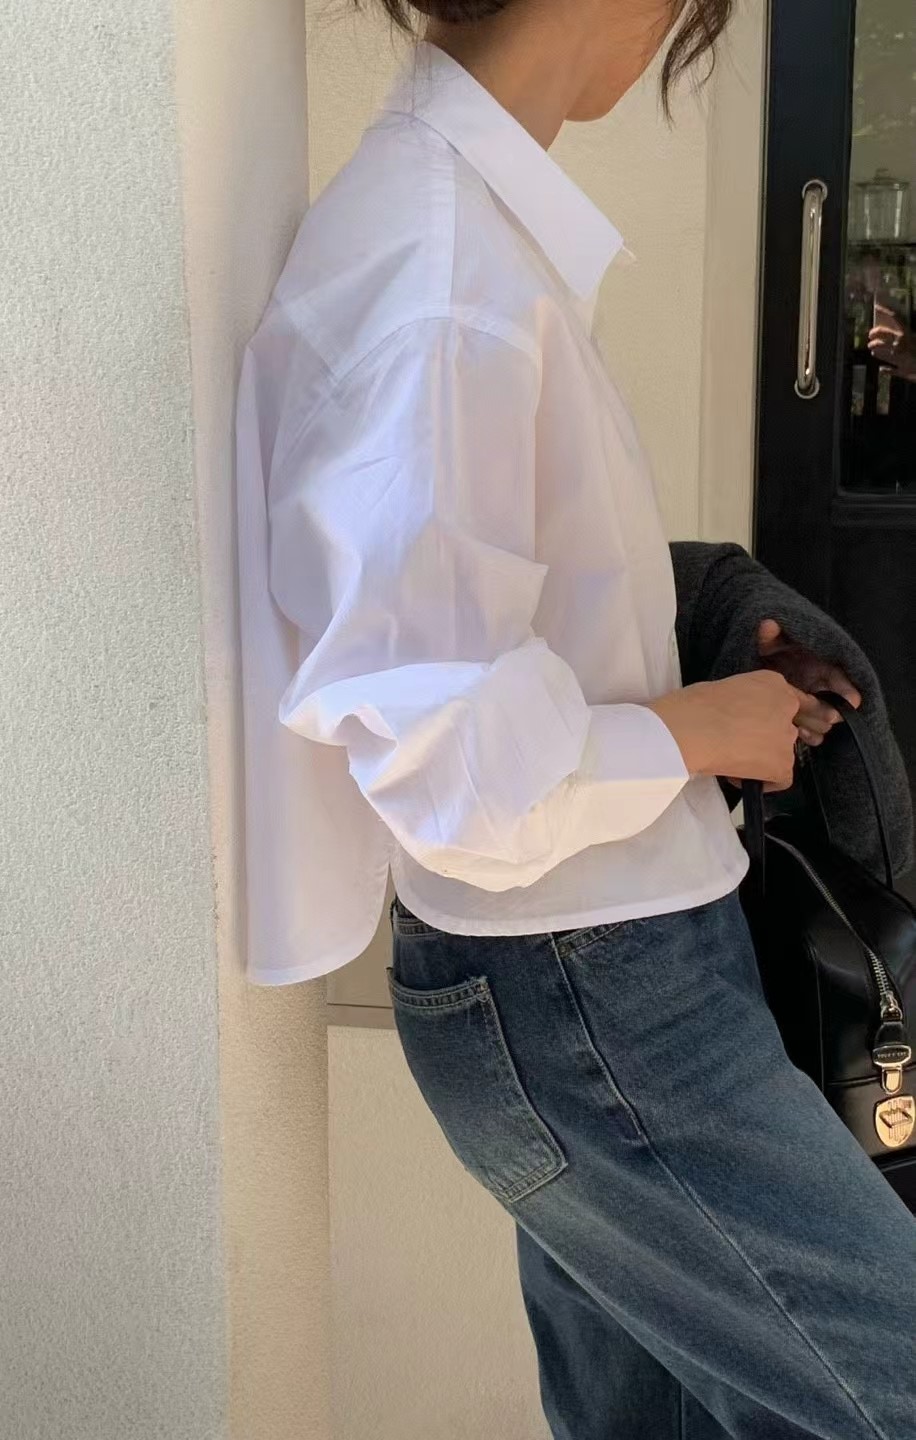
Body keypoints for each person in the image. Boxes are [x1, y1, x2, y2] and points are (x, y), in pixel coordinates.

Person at [234, 3, 916, 1434]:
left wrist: (701, 657)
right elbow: (448, 761)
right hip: (592, 985)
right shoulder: (444, 278)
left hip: (592, 974)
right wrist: (700, 733)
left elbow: (475, 629)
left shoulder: (451, 237)